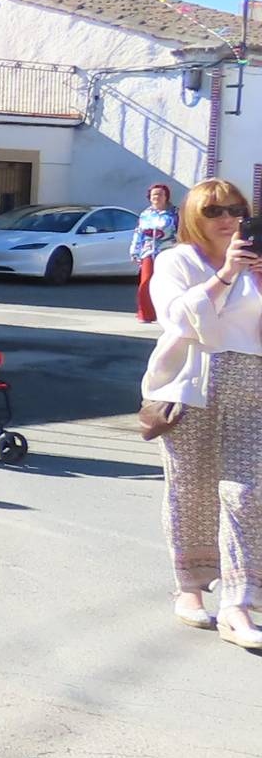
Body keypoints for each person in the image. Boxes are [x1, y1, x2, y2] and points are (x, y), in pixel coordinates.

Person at [145, 178, 262, 646]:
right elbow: (179, 319)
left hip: (252, 387)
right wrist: (226, 275)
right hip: (189, 387)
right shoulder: (177, 261)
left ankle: (239, 602)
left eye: (235, 210)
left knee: (247, 492)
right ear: (194, 216)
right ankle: (190, 587)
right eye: (214, 212)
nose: (227, 220)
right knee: (189, 490)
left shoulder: (256, 264)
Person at [132, 183, 180, 325]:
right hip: (148, 250)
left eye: (160, 195)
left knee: (167, 282)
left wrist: (180, 248)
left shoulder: (174, 214)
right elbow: (139, 232)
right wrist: (135, 250)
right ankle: (145, 314)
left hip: (168, 250)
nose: (156, 197)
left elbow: (180, 232)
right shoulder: (145, 214)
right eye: (154, 195)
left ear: (166, 197)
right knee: (145, 282)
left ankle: (168, 313)